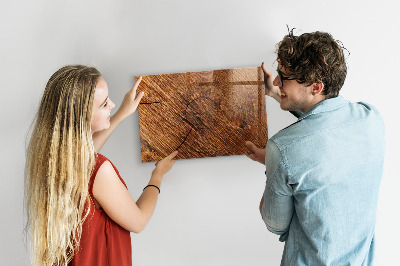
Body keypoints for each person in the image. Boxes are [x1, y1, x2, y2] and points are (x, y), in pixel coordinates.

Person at [245, 30, 385, 265]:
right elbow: (324, 126)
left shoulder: (282, 149)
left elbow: (274, 223)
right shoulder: (371, 118)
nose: (277, 81)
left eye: (284, 77)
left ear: (316, 87)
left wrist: (273, 162)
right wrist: (277, 94)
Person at [24, 65, 178, 266]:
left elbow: (86, 157)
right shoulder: (100, 170)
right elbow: (138, 221)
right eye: (105, 104)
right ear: (82, 117)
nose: (113, 104)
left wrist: (122, 113)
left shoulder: (53, 159)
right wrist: (157, 176)